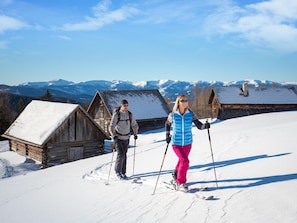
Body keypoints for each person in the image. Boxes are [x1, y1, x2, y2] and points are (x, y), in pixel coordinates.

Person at [165, 94, 210, 192]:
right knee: (185, 161)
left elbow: (199, 125)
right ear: (178, 102)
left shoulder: (190, 114)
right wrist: (167, 135)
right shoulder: (173, 114)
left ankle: (175, 175)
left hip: (188, 142)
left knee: (182, 161)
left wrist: (205, 126)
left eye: (186, 100)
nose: (185, 102)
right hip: (176, 142)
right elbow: (167, 124)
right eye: (182, 100)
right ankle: (181, 182)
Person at [109, 99, 139, 180]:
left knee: (124, 155)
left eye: (127, 105)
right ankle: (117, 172)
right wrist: (113, 135)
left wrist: (135, 134)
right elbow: (111, 127)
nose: (126, 107)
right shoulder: (117, 115)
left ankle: (123, 172)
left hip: (126, 137)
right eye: (124, 105)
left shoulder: (130, 114)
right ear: (121, 106)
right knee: (121, 154)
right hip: (118, 137)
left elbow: (134, 125)